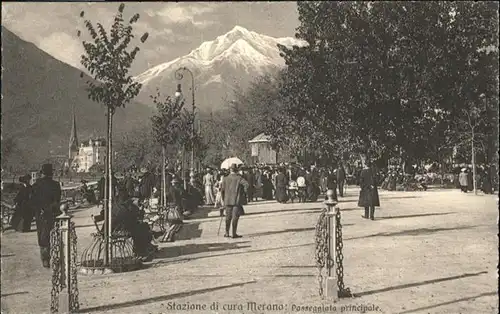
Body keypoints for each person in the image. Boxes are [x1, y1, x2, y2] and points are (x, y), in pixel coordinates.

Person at [31, 164, 62, 268]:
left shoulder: (36, 185)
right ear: (51, 173)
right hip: (53, 213)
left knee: (43, 236)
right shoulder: (56, 184)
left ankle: (45, 259)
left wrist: (40, 210)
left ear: (41, 173)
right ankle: (57, 257)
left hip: (41, 214)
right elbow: (57, 200)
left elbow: (33, 201)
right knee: (55, 235)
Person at [221, 163, 249, 238]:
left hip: (227, 200)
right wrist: (243, 192)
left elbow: (222, 190)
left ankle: (227, 233)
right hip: (236, 200)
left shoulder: (225, 178)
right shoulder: (239, 178)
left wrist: (223, 199)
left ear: (230, 170)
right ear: (236, 170)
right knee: (235, 217)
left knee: (228, 217)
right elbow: (247, 184)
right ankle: (234, 234)